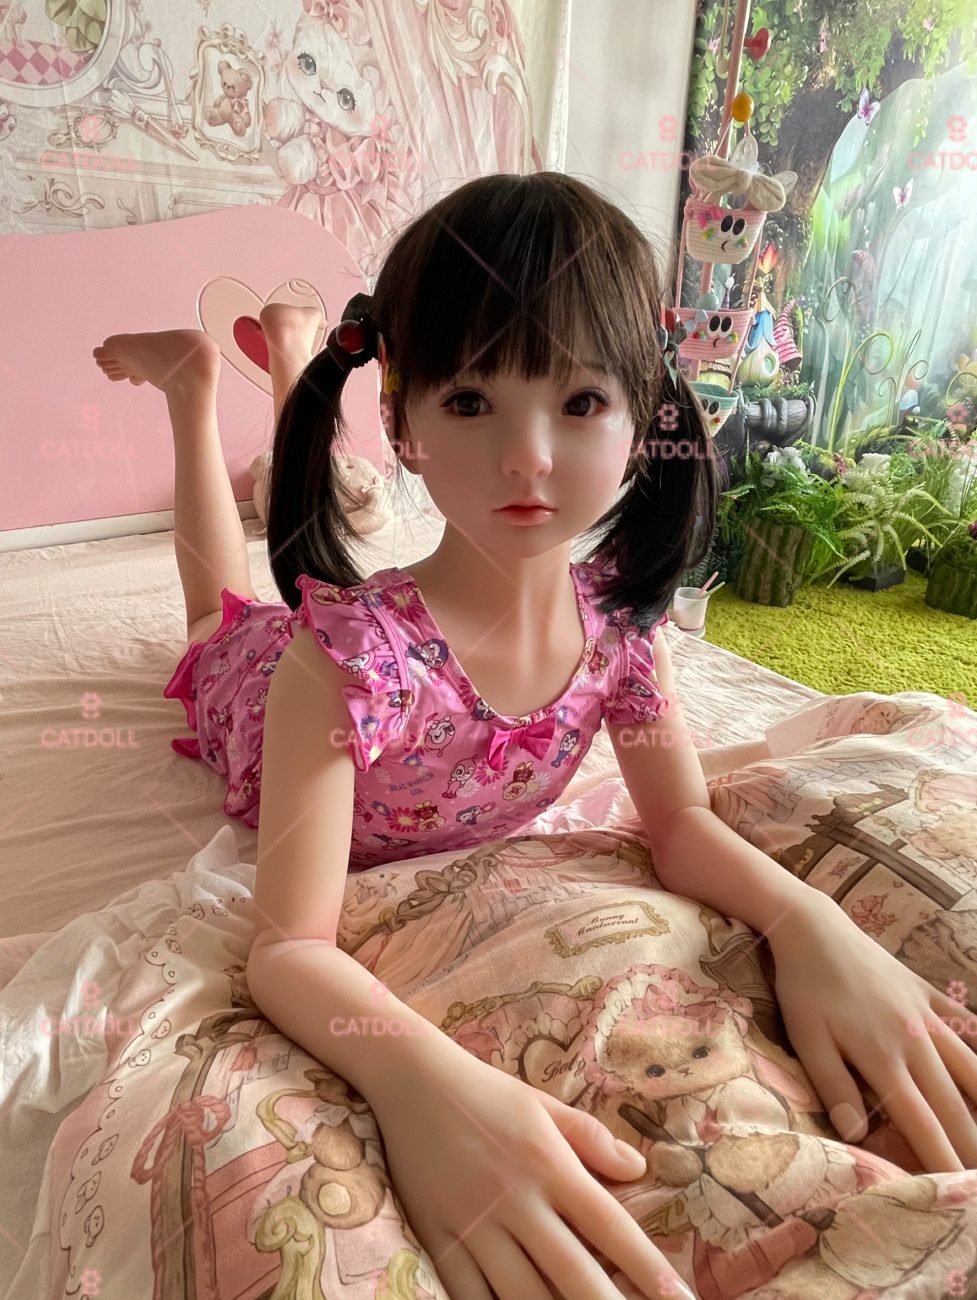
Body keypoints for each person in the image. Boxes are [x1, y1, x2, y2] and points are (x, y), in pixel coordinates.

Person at [93, 171, 977, 1300]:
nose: (528, 458)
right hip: (267, 698)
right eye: (470, 401)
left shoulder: (619, 627)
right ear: (402, 423)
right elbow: (287, 947)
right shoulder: (337, 662)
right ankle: (193, 383)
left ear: (644, 415)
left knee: (246, 601)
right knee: (215, 621)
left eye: (580, 400)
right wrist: (421, 1082)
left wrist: (809, 922)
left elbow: (680, 820)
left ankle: (287, 349)